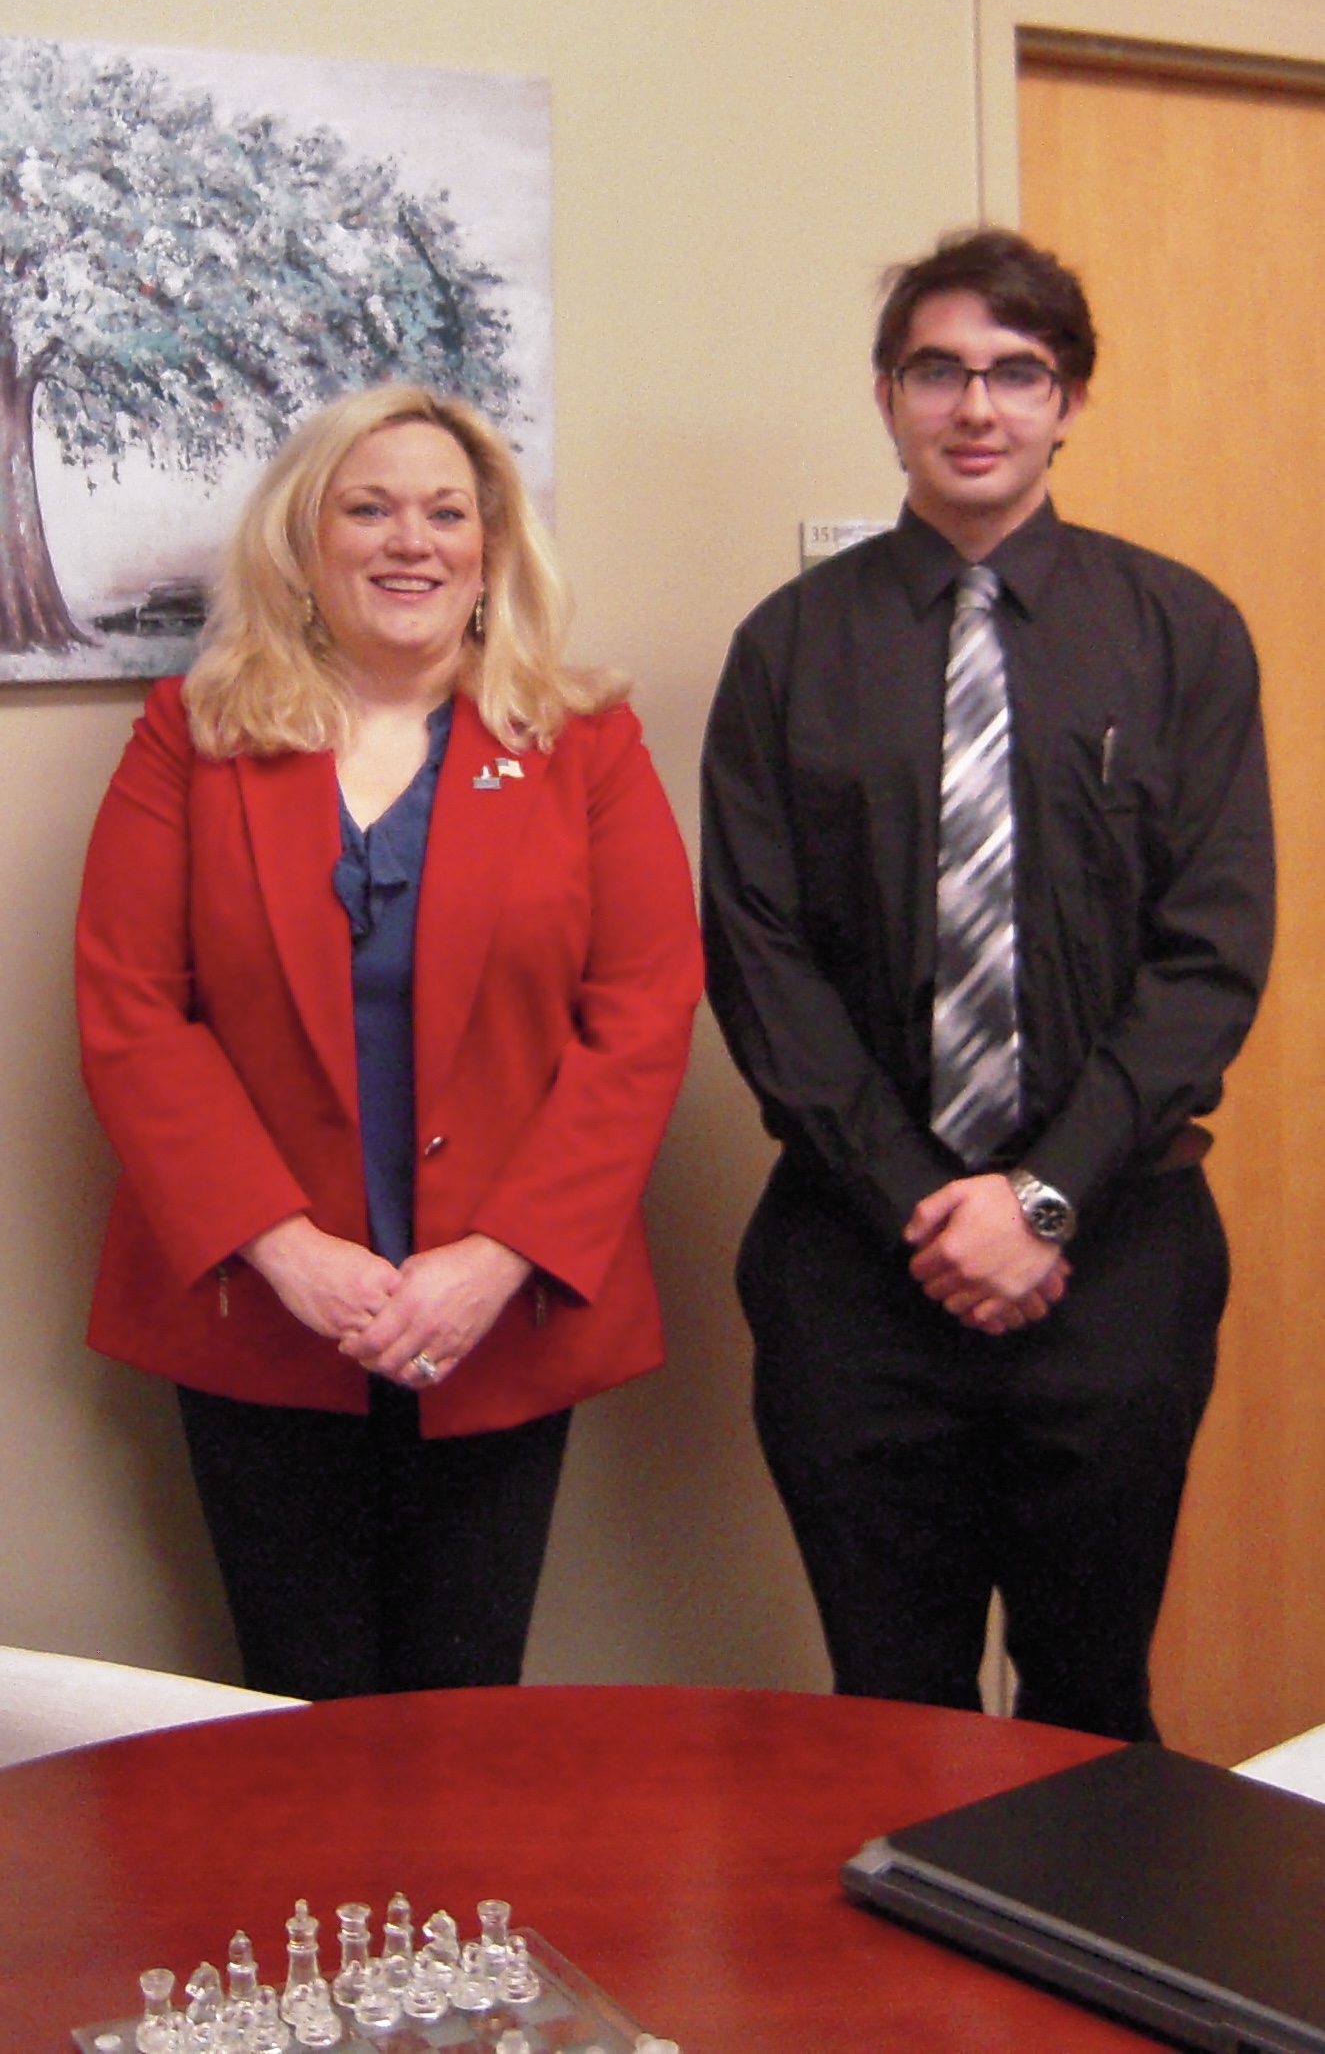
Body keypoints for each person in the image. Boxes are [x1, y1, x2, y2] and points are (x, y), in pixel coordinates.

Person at [701, 228, 1274, 1741]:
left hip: (1116, 1258)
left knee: (1090, 1701)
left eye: (1015, 373)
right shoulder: (788, 650)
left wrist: (1037, 1203)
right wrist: (927, 1205)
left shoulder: (1180, 633)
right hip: (853, 1266)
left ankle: (1087, 1979)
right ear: (886, 397)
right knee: (887, 1711)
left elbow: (1209, 952)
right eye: (937, 371)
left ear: (1068, 401)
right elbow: (758, 958)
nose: (976, 407)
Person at [78, 383, 703, 1701]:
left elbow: (643, 1016)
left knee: (462, 1712)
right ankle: (323, 1925)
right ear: (307, 542)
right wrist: (287, 1248)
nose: (408, 541)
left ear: (489, 546)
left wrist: (494, 1256)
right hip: (264, 1306)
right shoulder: (190, 734)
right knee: (298, 1715)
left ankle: (447, 1924)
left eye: (443, 512)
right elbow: (134, 1012)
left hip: (495, 1314)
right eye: (367, 509)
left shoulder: (581, 740)